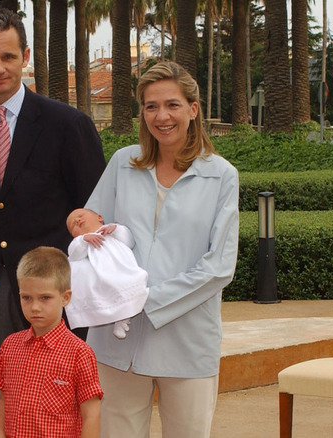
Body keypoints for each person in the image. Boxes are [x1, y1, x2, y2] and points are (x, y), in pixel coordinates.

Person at [0, 7, 106, 424]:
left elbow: (94, 210)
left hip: (53, 292)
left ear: (25, 55)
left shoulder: (68, 125)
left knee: (60, 408)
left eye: (8, 57)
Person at [84, 61, 239, 438]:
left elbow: (219, 266)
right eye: (151, 106)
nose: (161, 116)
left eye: (172, 104)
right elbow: (93, 227)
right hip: (115, 341)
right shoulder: (123, 162)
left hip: (186, 342)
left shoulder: (221, 175)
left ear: (193, 109)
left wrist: (146, 299)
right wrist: (84, 229)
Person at [0, 246, 103, 438]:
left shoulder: (79, 353)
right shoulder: (9, 346)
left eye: (45, 298)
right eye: (26, 297)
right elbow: (3, 400)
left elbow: (91, 414)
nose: (35, 307)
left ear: (65, 297)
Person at [64, 208, 148, 339]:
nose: (77, 220)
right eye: (72, 225)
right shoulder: (81, 242)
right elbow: (74, 254)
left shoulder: (111, 232)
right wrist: (83, 240)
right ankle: (117, 318)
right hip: (101, 275)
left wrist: (116, 229)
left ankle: (123, 319)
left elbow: (129, 241)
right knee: (105, 292)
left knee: (130, 284)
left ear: (99, 217)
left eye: (80, 216)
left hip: (121, 269)